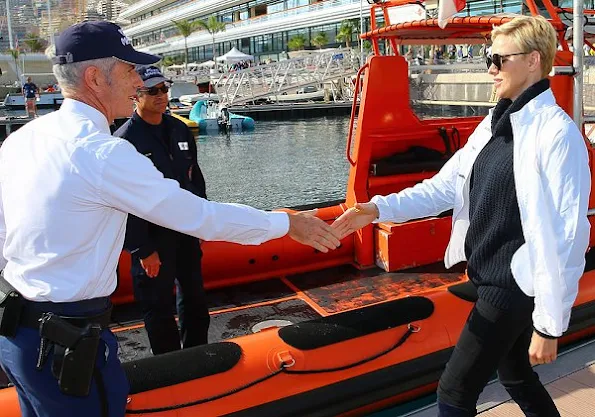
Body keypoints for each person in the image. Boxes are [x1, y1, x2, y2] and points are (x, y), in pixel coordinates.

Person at [0, 21, 340, 417]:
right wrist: (286, 223)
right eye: (129, 70)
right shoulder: (100, 153)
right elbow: (199, 217)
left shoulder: (22, 139)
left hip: (18, 333)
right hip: (67, 340)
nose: (138, 83)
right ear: (94, 77)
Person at [332, 15, 589, 417]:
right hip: (489, 273)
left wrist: (550, 325)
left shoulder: (556, 133)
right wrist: (378, 207)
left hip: (513, 283)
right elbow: (445, 186)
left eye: (499, 60)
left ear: (534, 61)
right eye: (489, 58)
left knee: (453, 392)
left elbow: (568, 233)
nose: (490, 69)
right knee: (516, 375)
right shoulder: (494, 124)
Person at [114, 66, 210, 354]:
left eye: (164, 89)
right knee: (158, 308)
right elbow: (124, 201)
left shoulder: (179, 128)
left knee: (195, 302)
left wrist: (202, 221)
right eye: (152, 91)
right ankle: (169, 365)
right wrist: (142, 250)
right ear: (136, 95)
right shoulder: (125, 140)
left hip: (185, 232)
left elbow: (195, 177)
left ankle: (197, 356)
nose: (160, 96)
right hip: (153, 239)